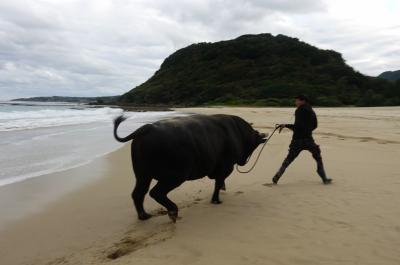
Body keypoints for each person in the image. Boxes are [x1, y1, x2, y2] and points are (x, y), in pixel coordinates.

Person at [273, 95, 332, 185]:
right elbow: (315, 125)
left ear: (303, 101)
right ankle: (323, 176)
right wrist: (307, 131)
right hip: (308, 139)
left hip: (297, 140)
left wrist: (286, 125)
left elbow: (298, 127)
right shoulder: (311, 110)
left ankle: (277, 176)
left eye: (297, 101)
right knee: (317, 156)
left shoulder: (299, 110)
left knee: (289, 159)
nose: (295, 103)